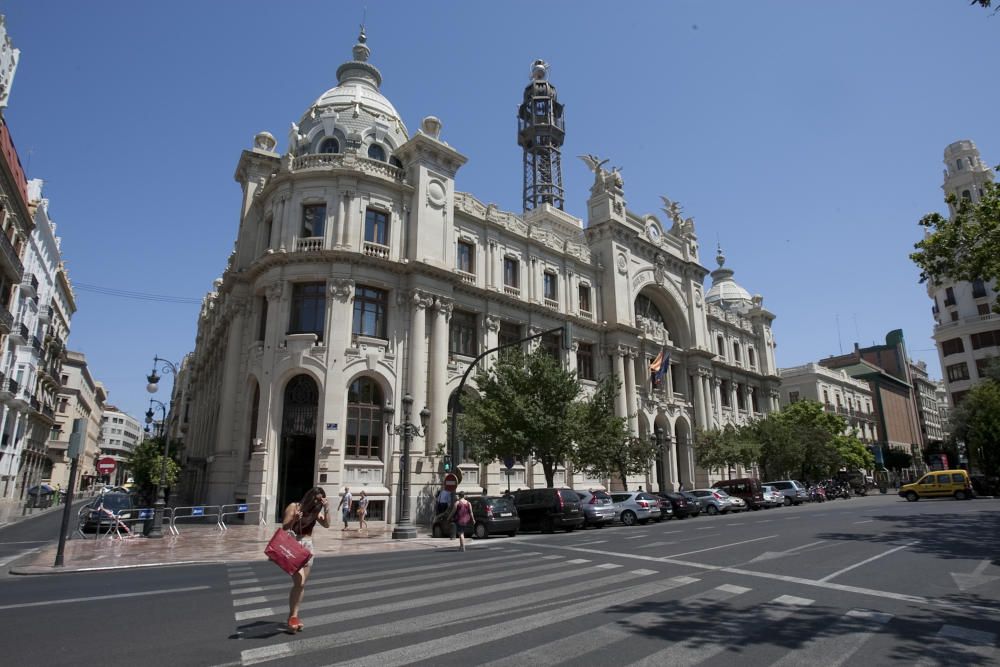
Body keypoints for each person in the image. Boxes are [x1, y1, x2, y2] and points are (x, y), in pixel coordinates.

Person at [282, 486, 330, 632]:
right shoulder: (294, 506)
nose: (317, 503)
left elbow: (327, 524)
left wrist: (326, 508)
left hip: (308, 547)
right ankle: (293, 617)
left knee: (300, 585)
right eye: (316, 500)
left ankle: (293, 616)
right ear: (309, 497)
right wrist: (294, 519)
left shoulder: (316, 512)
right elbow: (284, 527)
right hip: (294, 544)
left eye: (320, 501)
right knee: (300, 581)